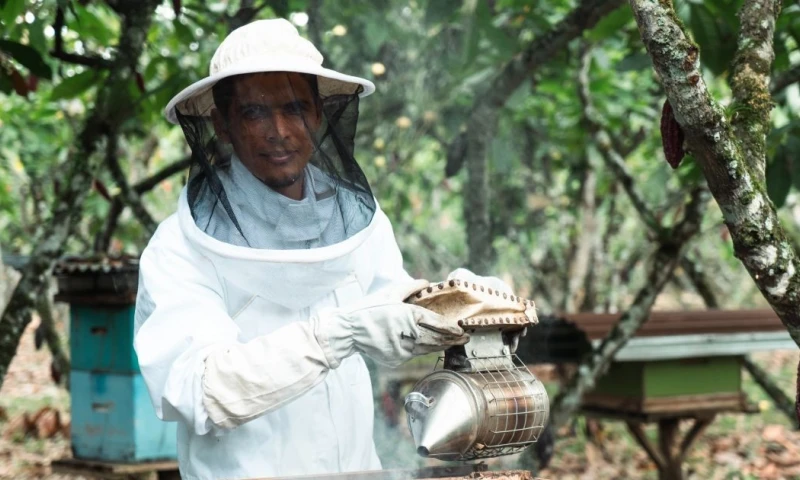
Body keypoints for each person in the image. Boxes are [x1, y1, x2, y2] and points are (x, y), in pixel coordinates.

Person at [133, 18, 506, 480]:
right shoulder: (179, 248)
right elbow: (200, 392)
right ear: (222, 124)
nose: (279, 131)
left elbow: (389, 314)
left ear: (318, 115)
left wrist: (454, 304)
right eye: (254, 113)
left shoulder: (354, 222)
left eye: (294, 109)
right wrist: (334, 335)